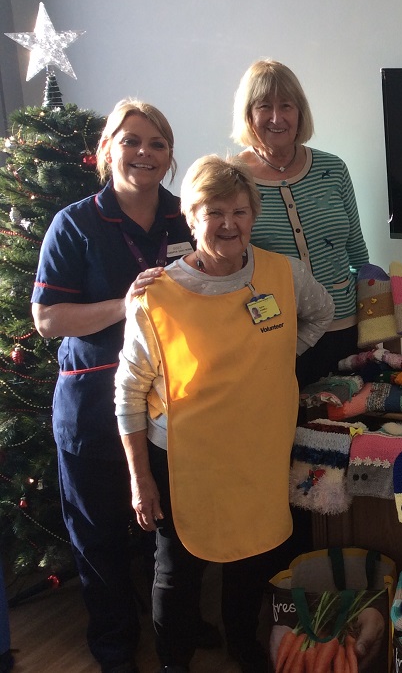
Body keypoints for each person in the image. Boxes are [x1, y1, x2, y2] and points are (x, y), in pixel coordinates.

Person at [114, 156, 335, 673]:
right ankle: (174, 663)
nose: (229, 223)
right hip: (184, 461)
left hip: (257, 452)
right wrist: (140, 478)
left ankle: (243, 647)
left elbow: (322, 313)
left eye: (240, 210)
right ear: (191, 217)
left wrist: (278, 356)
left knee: (251, 557)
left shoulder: (283, 273)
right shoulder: (156, 297)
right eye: (214, 211)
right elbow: (127, 392)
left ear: (253, 216)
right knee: (177, 572)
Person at [31, 99, 195, 673]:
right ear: (107, 150)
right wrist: (125, 306)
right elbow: (48, 320)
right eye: (131, 141)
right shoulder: (73, 223)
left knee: (174, 532)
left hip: (175, 407)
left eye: (157, 144)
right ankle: (115, 648)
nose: (144, 153)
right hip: (93, 405)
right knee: (98, 537)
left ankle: (176, 633)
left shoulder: (186, 218)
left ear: (170, 157)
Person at [232, 59, 369, 388]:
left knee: (347, 431)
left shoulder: (333, 168)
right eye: (265, 106)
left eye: (286, 106)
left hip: (343, 330)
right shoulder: (232, 178)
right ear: (248, 114)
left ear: (300, 112)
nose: (277, 118)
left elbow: (357, 253)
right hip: (274, 336)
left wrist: (374, 326)